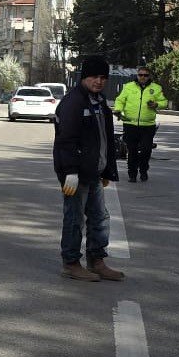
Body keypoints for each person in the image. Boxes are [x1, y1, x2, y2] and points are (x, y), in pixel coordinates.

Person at [54, 55, 125, 282]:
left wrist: (107, 170)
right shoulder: (73, 102)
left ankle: (97, 261)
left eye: (103, 77)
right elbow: (66, 141)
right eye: (94, 76)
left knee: (99, 218)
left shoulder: (100, 102)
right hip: (75, 174)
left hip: (94, 172)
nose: (99, 81)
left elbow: (105, 140)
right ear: (85, 77)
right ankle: (71, 263)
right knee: (75, 218)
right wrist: (70, 172)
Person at [112, 64, 167, 182]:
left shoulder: (156, 88)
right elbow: (120, 100)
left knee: (146, 150)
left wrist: (157, 104)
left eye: (145, 75)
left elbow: (164, 102)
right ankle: (132, 174)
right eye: (140, 75)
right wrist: (117, 109)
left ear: (149, 76)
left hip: (147, 126)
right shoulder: (128, 87)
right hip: (130, 124)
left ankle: (143, 170)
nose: (142, 77)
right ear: (137, 75)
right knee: (131, 151)